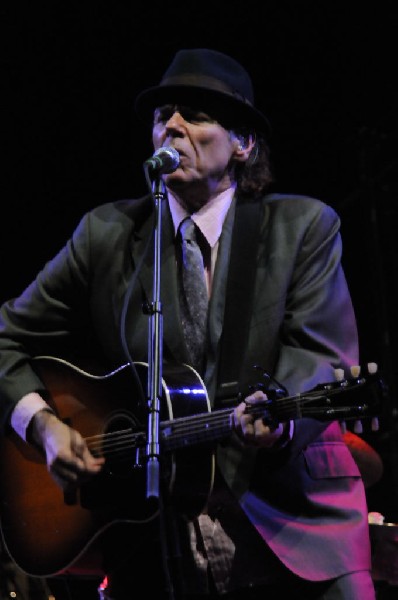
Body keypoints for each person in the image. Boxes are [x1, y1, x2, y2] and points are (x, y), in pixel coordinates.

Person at [0, 48, 377, 600]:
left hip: (298, 532)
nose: (170, 126)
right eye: (162, 115)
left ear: (243, 143)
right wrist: (43, 425)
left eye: (195, 114)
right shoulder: (105, 235)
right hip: (159, 547)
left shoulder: (302, 228)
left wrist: (281, 417)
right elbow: (8, 335)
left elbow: (321, 355)